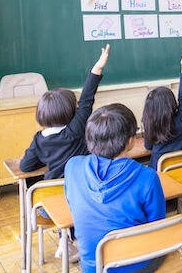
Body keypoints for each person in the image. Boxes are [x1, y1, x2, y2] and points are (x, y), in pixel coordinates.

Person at [20, 44, 111, 261]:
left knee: (51, 195)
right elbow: (87, 98)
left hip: (53, 200)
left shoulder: (39, 140)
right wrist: (97, 67)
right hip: (86, 194)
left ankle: (65, 240)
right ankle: (78, 238)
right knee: (74, 198)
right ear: (71, 112)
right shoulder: (76, 128)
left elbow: (24, 167)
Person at [65, 104, 166, 273]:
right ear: (130, 140)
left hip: (92, 265)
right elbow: (157, 226)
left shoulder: (72, 166)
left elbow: (72, 204)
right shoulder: (147, 177)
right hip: (138, 263)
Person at [142, 49, 182, 170]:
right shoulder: (181, 119)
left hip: (160, 172)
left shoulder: (150, 124)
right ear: (171, 103)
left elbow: (148, 147)